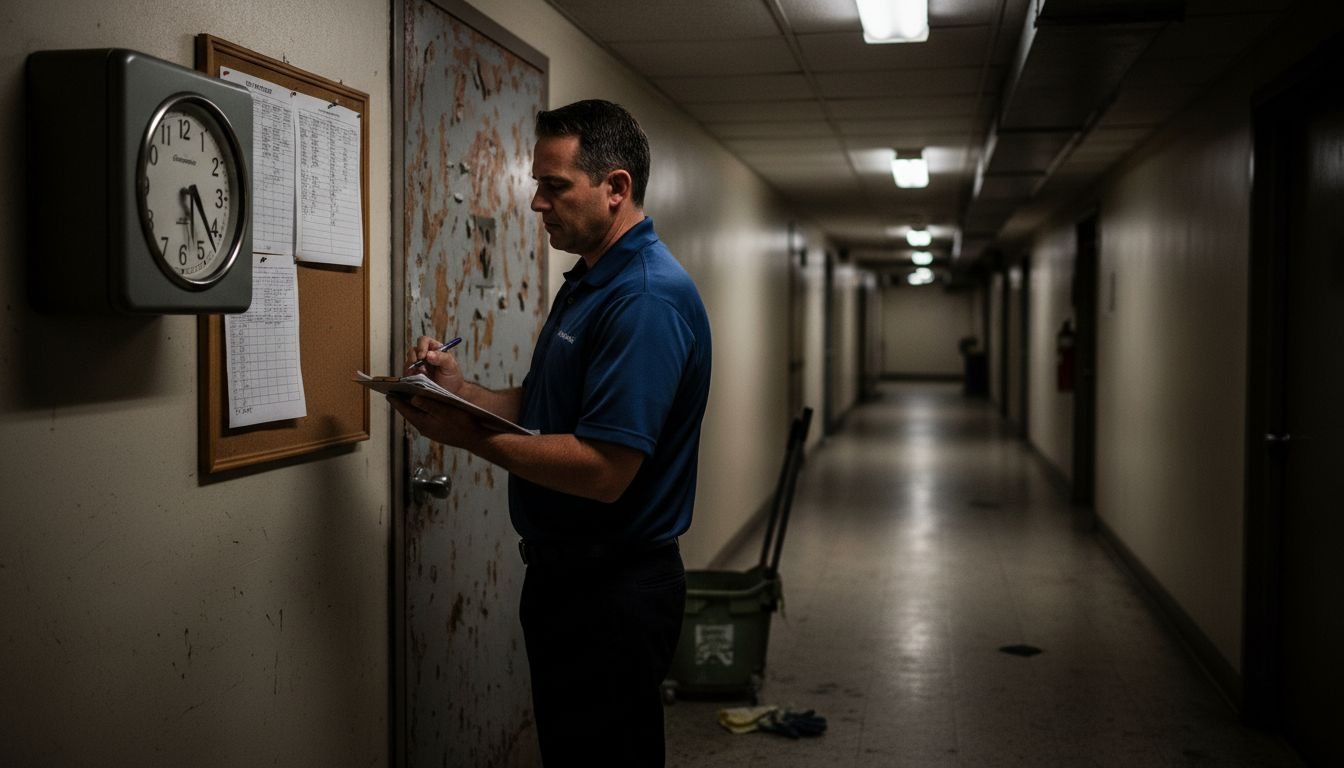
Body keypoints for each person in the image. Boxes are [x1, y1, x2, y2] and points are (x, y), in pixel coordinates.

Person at [391, 99, 712, 767]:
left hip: (614, 592)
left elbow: (602, 469)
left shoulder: (644, 299)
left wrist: (468, 438)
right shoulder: (592, 280)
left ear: (616, 188)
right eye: (539, 184)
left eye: (555, 186)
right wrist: (460, 392)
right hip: (570, 581)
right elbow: (546, 407)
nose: (537, 203)